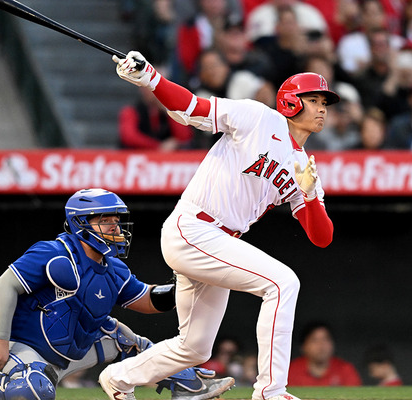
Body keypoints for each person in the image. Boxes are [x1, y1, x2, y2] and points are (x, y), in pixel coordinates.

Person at [103, 49, 338, 400]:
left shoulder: (305, 168)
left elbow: (322, 238)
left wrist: (306, 195)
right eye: (313, 99)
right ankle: (270, 392)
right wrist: (150, 77)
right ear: (291, 102)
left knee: (194, 348)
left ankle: (118, 378)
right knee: (282, 283)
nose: (322, 108)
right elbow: (191, 110)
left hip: (218, 243)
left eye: (324, 102)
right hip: (194, 227)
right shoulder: (258, 117)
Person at [0, 188, 235, 400]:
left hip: (68, 354)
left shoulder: (114, 268)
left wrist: (190, 281)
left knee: (133, 343)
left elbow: (149, 301)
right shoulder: (55, 254)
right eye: (107, 221)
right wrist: (0, 338)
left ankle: (188, 385)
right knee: (35, 389)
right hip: (18, 347)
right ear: (81, 224)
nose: (116, 228)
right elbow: (6, 284)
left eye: (117, 221)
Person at [119, 85, 194, 150]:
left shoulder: (169, 111)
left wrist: (168, 110)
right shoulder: (131, 111)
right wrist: (158, 146)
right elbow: (129, 137)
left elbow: (185, 137)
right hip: (137, 158)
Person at [288, 321, 361, 386]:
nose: (321, 345)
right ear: (303, 346)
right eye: (314, 340)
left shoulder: (346, 370)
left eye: (326, 339)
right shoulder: (290, 371)